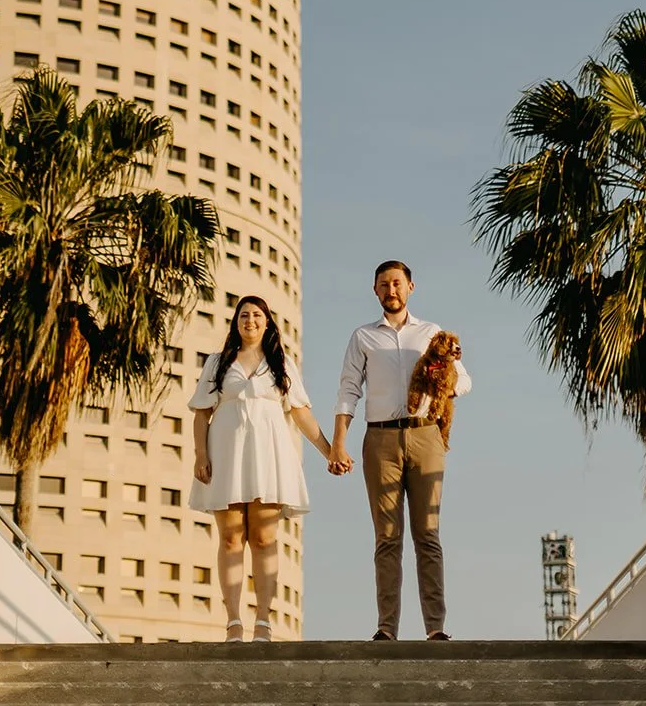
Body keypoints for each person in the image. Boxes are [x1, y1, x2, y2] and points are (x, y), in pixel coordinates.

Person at [328, 260, 471, 642]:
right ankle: (386, 628)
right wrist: (338, 441)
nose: (391, 291)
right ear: (375, 291)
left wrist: (441, 380)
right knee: (387, 538)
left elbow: (466, 379)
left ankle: (436, 628)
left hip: (426, 437)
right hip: (380, 441)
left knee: (427, 533)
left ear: (410, 287)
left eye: (397, 283)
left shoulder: (431, 333)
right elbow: (347, 390)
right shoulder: (363, 336)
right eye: (383, 285)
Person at [189, 295, 332, 641]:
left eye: (256, 315)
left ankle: (264, 620)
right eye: (243, 315)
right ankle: (233, 620)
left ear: (267, 322)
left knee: (265, 537)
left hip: (268, 457)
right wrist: (200, 455)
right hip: (226, 455)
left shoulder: (282, 364)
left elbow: (301, 413)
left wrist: (330, 451)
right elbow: (201, 412)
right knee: (230, 538)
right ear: (236, 322)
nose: (250, 320)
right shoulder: (217, 363)